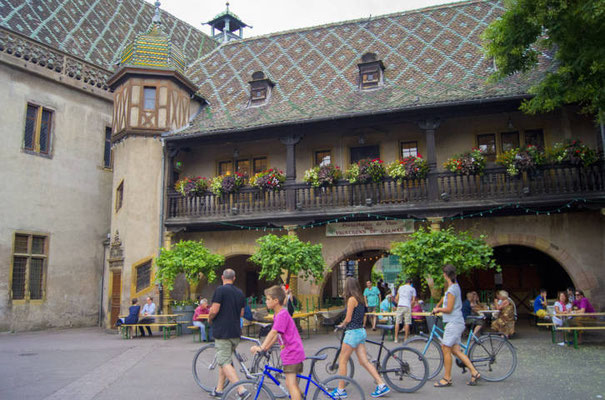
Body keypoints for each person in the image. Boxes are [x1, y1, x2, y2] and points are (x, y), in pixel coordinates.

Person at [332, 277, 390, 398]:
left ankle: (340, 390)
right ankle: (381, 384)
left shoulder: (351, 299)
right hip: (361, 331)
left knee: (342, 360)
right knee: (364, 361)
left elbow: (348, 319)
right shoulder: (359, 298)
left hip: (352, 333)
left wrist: (341, 325)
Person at [251, 286, 305, 400]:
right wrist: (266, 348)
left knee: (291, 385)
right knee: (292, 383)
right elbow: (277, 335)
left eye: (268, 299)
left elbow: (273, 332)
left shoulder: (281, 315)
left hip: (292, 352)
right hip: (292, 352)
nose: (266, 301)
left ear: (276, 301)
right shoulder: (279, 314)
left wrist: (261, 347)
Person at [432, 264, 481, 387]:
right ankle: (474, 372)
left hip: (453, 323)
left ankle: (447, 378)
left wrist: (438, 310)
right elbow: (445, 299)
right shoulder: (454, 287)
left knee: (445, 348)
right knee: (455, 350)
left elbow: (448, 309)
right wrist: (438, 306)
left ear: (445, 275)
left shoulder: (452, 289)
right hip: (456, 322)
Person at [208, 269, 246, 398]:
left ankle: (241, 390)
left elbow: (214, 309)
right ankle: (219, 389)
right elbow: (241, 313)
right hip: (235, 332)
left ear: (222, 277)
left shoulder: (220, 290)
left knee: (224, 361)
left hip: (222, 332)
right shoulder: (240, 293)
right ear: (234, 278)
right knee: (224, 360)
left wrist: (209, 318)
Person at [394, 278, 416, 343]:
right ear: (411, 283)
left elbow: (396, 298)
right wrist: (411, 307)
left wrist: (398, 304)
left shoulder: (400, 288)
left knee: (397, 322)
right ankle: (405, 338)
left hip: (400, 305)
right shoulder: (412, 289)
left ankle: (396, 338)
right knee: (407, 322)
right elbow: (413, 300)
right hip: (407, 306)